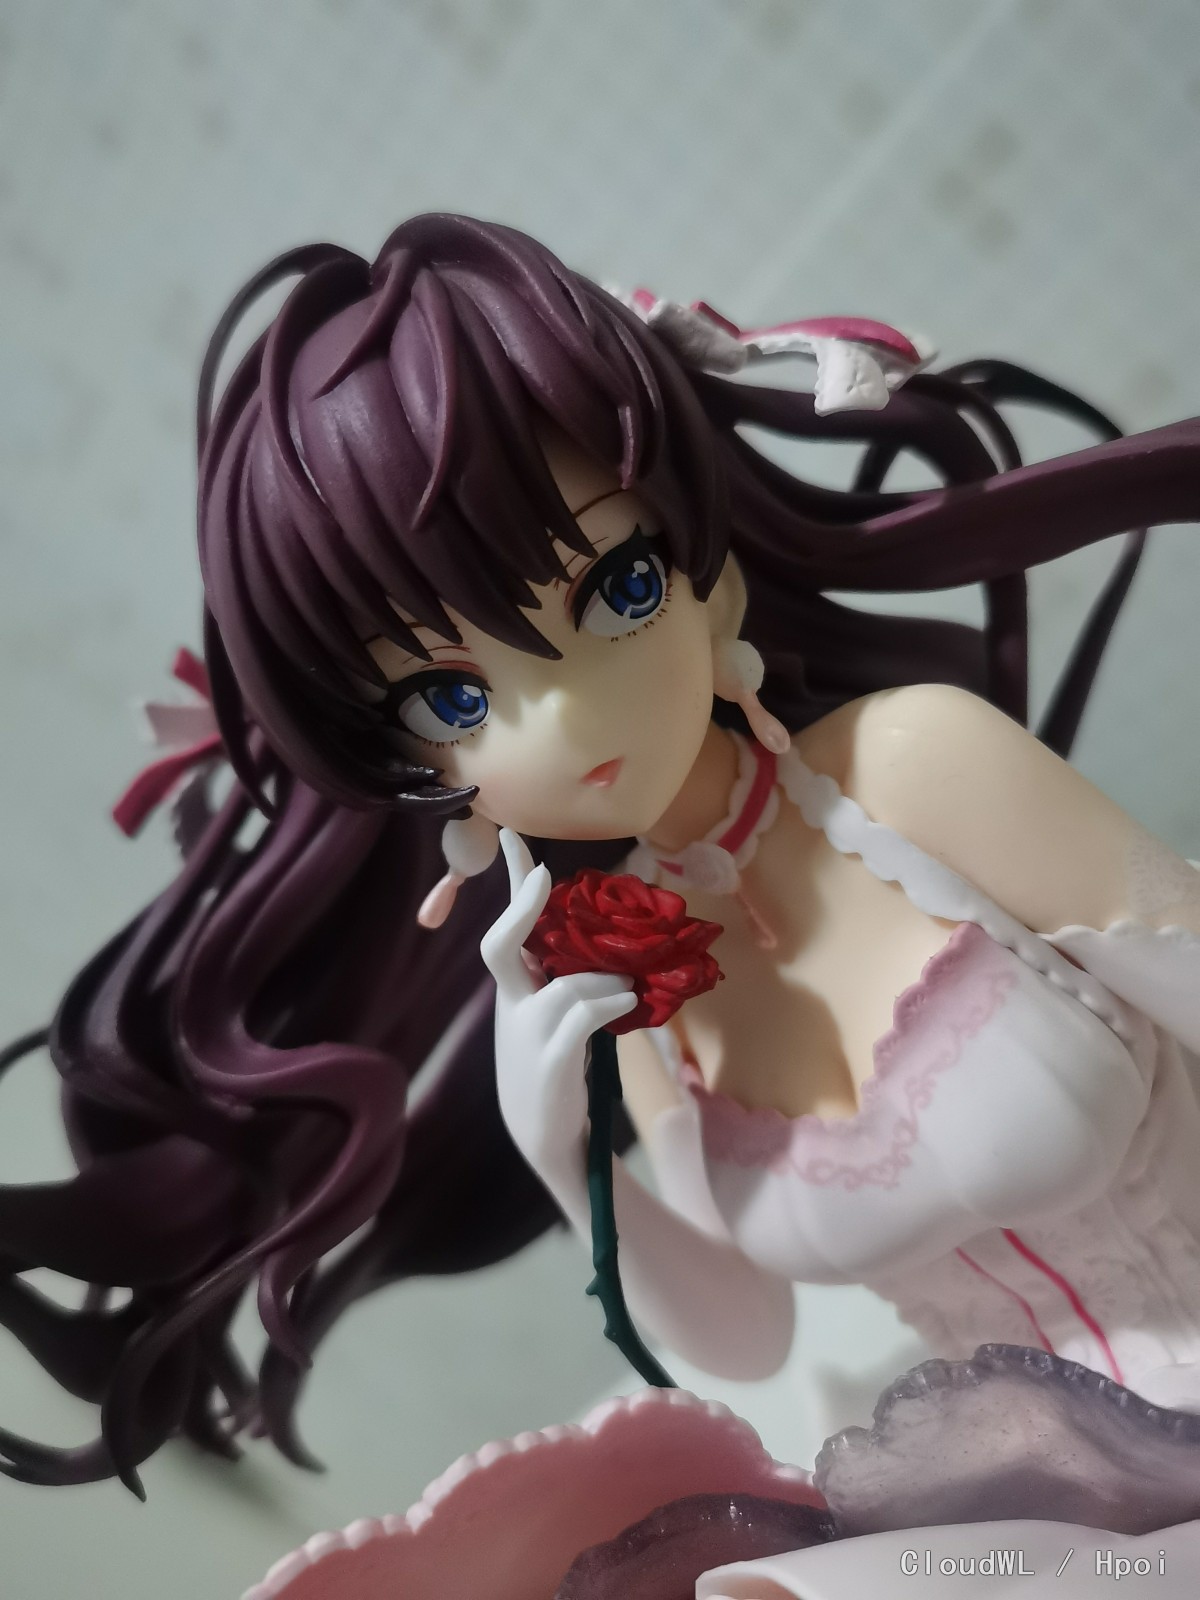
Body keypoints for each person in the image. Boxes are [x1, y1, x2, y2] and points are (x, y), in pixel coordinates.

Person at [1, 213, 1197, 1496]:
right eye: (453, 699)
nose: (566, 721)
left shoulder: (914, 767)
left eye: (618, 589)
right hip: (1030, 1498)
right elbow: (745, 1339)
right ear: (419, 770)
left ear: (709, 577)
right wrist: (565, 1148)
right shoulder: (631, 985)